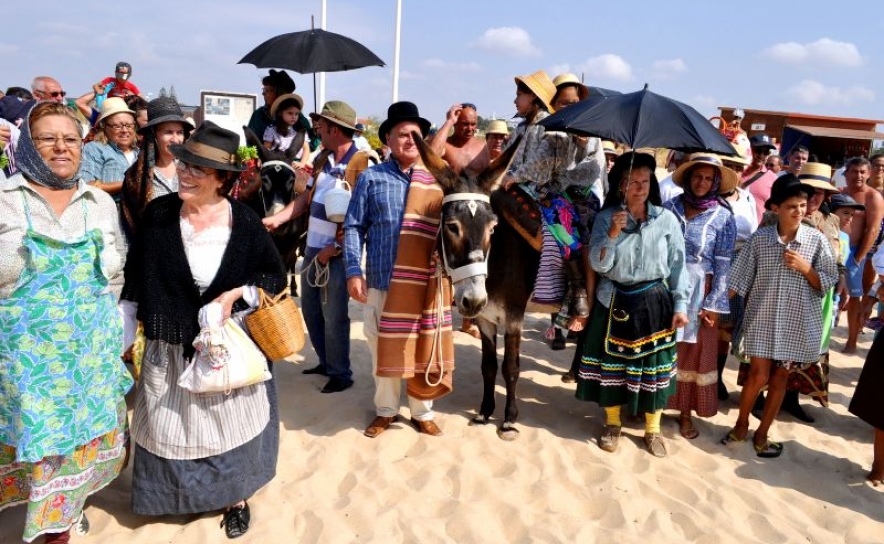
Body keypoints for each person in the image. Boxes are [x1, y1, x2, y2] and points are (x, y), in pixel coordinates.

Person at [120, 121, 287, 538]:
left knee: (227, 426)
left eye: (197, 169)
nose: (184, 173)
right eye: (183, 165)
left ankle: (235, 499)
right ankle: (171, 499)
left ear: (223, 180)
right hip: (170, 345)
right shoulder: (158, 215)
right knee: (169, 424)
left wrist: (236, 294)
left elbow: (274, 277)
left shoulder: (244, 222)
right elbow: (134, 279)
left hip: (224, 350)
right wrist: (122, 335)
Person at [0, 101, 132, 544]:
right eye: (47, 138)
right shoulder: (5, 199)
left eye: (71, 138)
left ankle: (62, 522)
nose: (61, 147)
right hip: (20, 370)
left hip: (84, 370)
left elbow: (115, 274)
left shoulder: (98, 203)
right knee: (26, 455)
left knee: (70, 468)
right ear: (28, 146)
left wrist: (110, 330)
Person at [344, 101, 454, 438]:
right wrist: (353, 270)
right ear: (388, 140)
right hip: (383, 280)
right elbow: (353, 226)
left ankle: (422, 412)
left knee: (425, 345)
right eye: (402, 134)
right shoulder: (371, 178)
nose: (409, 140)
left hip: (427, 284)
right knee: (382, 348)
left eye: (416, 135)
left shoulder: (438, 180)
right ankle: (387, 411)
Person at [575, 152, 689, 458]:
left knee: (653, 368)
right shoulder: (605, 218)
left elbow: (678, 265)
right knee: (611, 366)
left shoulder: (666, 220)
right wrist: (612, 234)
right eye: (631, 182)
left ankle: (652, 430)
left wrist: (680, 305)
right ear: (619, 186)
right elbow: (599, 266)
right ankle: (612, 424)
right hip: (613, 301)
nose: (639, 187)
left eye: (644, 180)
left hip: (655, 302)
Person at [722, 174, 838, 458]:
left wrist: (806, 269)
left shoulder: (816, 240)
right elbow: (737, 281)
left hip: (796, 322)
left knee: (780, 378)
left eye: (802, 205)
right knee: (757, 376)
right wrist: (716, 310)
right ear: (775, 208)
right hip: (761, 319)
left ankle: (762, 433)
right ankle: (740, 424)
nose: (798, 211)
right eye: (791, 206)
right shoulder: (760, 240)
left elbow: (829, 279)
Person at [264, 100, 368, 394]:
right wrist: (278, 219)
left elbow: (359, 216)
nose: (317, 128)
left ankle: (340, 373)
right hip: (311, 249)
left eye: (321, 124)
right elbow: (305, 199)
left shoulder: (360, 163)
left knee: (334, 314)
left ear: (334, 128)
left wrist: (333, 248)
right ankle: (326, 361)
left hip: (336, 252)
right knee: (310, 309)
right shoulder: (322, 158)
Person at [664, 155, 737, 439]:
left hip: (701, 289)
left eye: (708, 178)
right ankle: (654, 407)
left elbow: (723, 263)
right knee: (662, 344)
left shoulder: (723, 217)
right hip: (667, 284)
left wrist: (715, 303)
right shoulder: (669, 208)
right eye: (697, 176)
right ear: (688, 177)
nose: (702, 183)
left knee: (693, 354)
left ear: (716, 182)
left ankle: (684, 413)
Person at [120, 96, 191, 239]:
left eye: (180, 132)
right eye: (168, 132)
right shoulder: (135, 178)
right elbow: (127, 229)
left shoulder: (191, 172)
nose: (175, 139)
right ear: (154, 135)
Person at [842, 157, 884, 353]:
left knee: (856, 296)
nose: (858, 175)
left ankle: (851, 341)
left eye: (862, 172)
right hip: (837, 249)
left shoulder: (872, 197)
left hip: (858, 251)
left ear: (868, 174)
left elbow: (873, 229)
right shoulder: (839, 194)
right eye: (854, 171)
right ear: (846, 173)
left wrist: (859, 257)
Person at [80, 97, 139, 201]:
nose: (125, 130)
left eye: (129, 125)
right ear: (104, 127)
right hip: (111, 212)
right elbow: (88, 186)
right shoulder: (95, 149)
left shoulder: (139, 152)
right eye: (117, 126)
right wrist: (129, 184)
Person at [429, 102, 489, 176]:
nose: (470, 128)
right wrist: (449, 121)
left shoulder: (483, 145)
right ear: (455, 123)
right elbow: (431, 156)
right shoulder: (445, 145)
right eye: (465, 124)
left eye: (473, 124)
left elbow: (488, 177)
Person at [262, 93, 310, 168]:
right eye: (290, 113)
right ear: (280, 113)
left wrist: (302, 163)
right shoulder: (271, 130)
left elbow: (306, 149)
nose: (294, 117)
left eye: (296, 114)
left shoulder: (300, 130)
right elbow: (266, 148)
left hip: (296, 164)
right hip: (277, 164)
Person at [742, 134, 779, 221]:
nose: (761, 156)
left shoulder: (773, 179)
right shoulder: (737, 172)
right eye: (758, 150)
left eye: (765, 152)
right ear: (749, 149)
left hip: (757, 233)